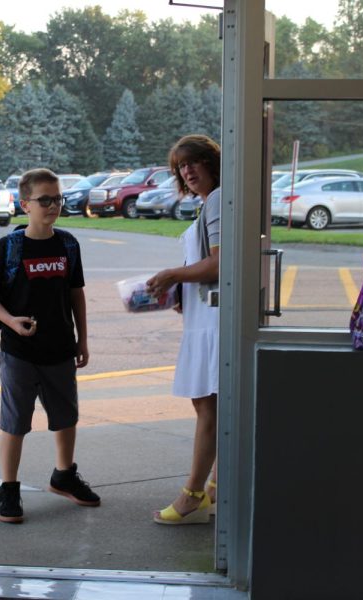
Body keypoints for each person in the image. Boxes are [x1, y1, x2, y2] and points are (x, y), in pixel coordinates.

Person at [0, 167, 100, 524]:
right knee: (15, 420)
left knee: (66, 416)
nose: (53, 206)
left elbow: (76, 293)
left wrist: (82, 337)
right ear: (24, 204)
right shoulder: (8, 247)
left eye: (57, 199)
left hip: (61, 347)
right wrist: (11, 321)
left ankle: (63, 475)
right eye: (44, 200)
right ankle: (9, 487)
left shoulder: (67, 244)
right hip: (20, 352)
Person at [146, 134, 221, 525]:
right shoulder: (210, 204)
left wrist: (175, 273)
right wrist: (180, 288)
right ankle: (214, 486)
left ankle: (193, 496)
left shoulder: (219, 201)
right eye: (180, 167)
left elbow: (220, 264)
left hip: (213, 323)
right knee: (209, 406)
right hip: (202, 318)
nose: (187, 171)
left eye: (193, 162)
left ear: (211, 162)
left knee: (207, 406)